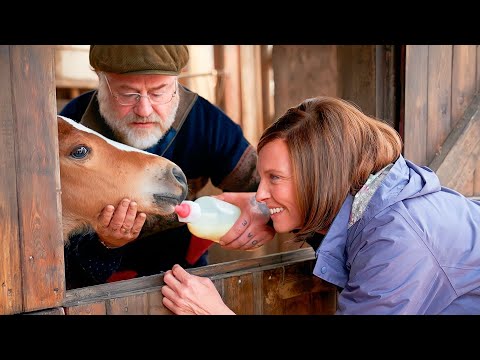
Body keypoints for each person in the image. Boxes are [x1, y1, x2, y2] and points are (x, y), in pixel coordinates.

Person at [161, 95, 480, 315]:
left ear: (322, 179)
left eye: (275, 178)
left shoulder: (397, 242)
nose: (259, 194)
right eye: (262, 178)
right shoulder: (373, 201)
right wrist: (269, 211)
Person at [59, 45, 274, 289]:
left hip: (184, 280)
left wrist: (259, 206)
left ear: (177, 82)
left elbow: (268, 190)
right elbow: (58, 263)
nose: (144, 110)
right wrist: (106, 244)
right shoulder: (70, 130)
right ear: (101, 81)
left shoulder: (205, 122)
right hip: (99, 290)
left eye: (159, 92)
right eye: (128, 94)